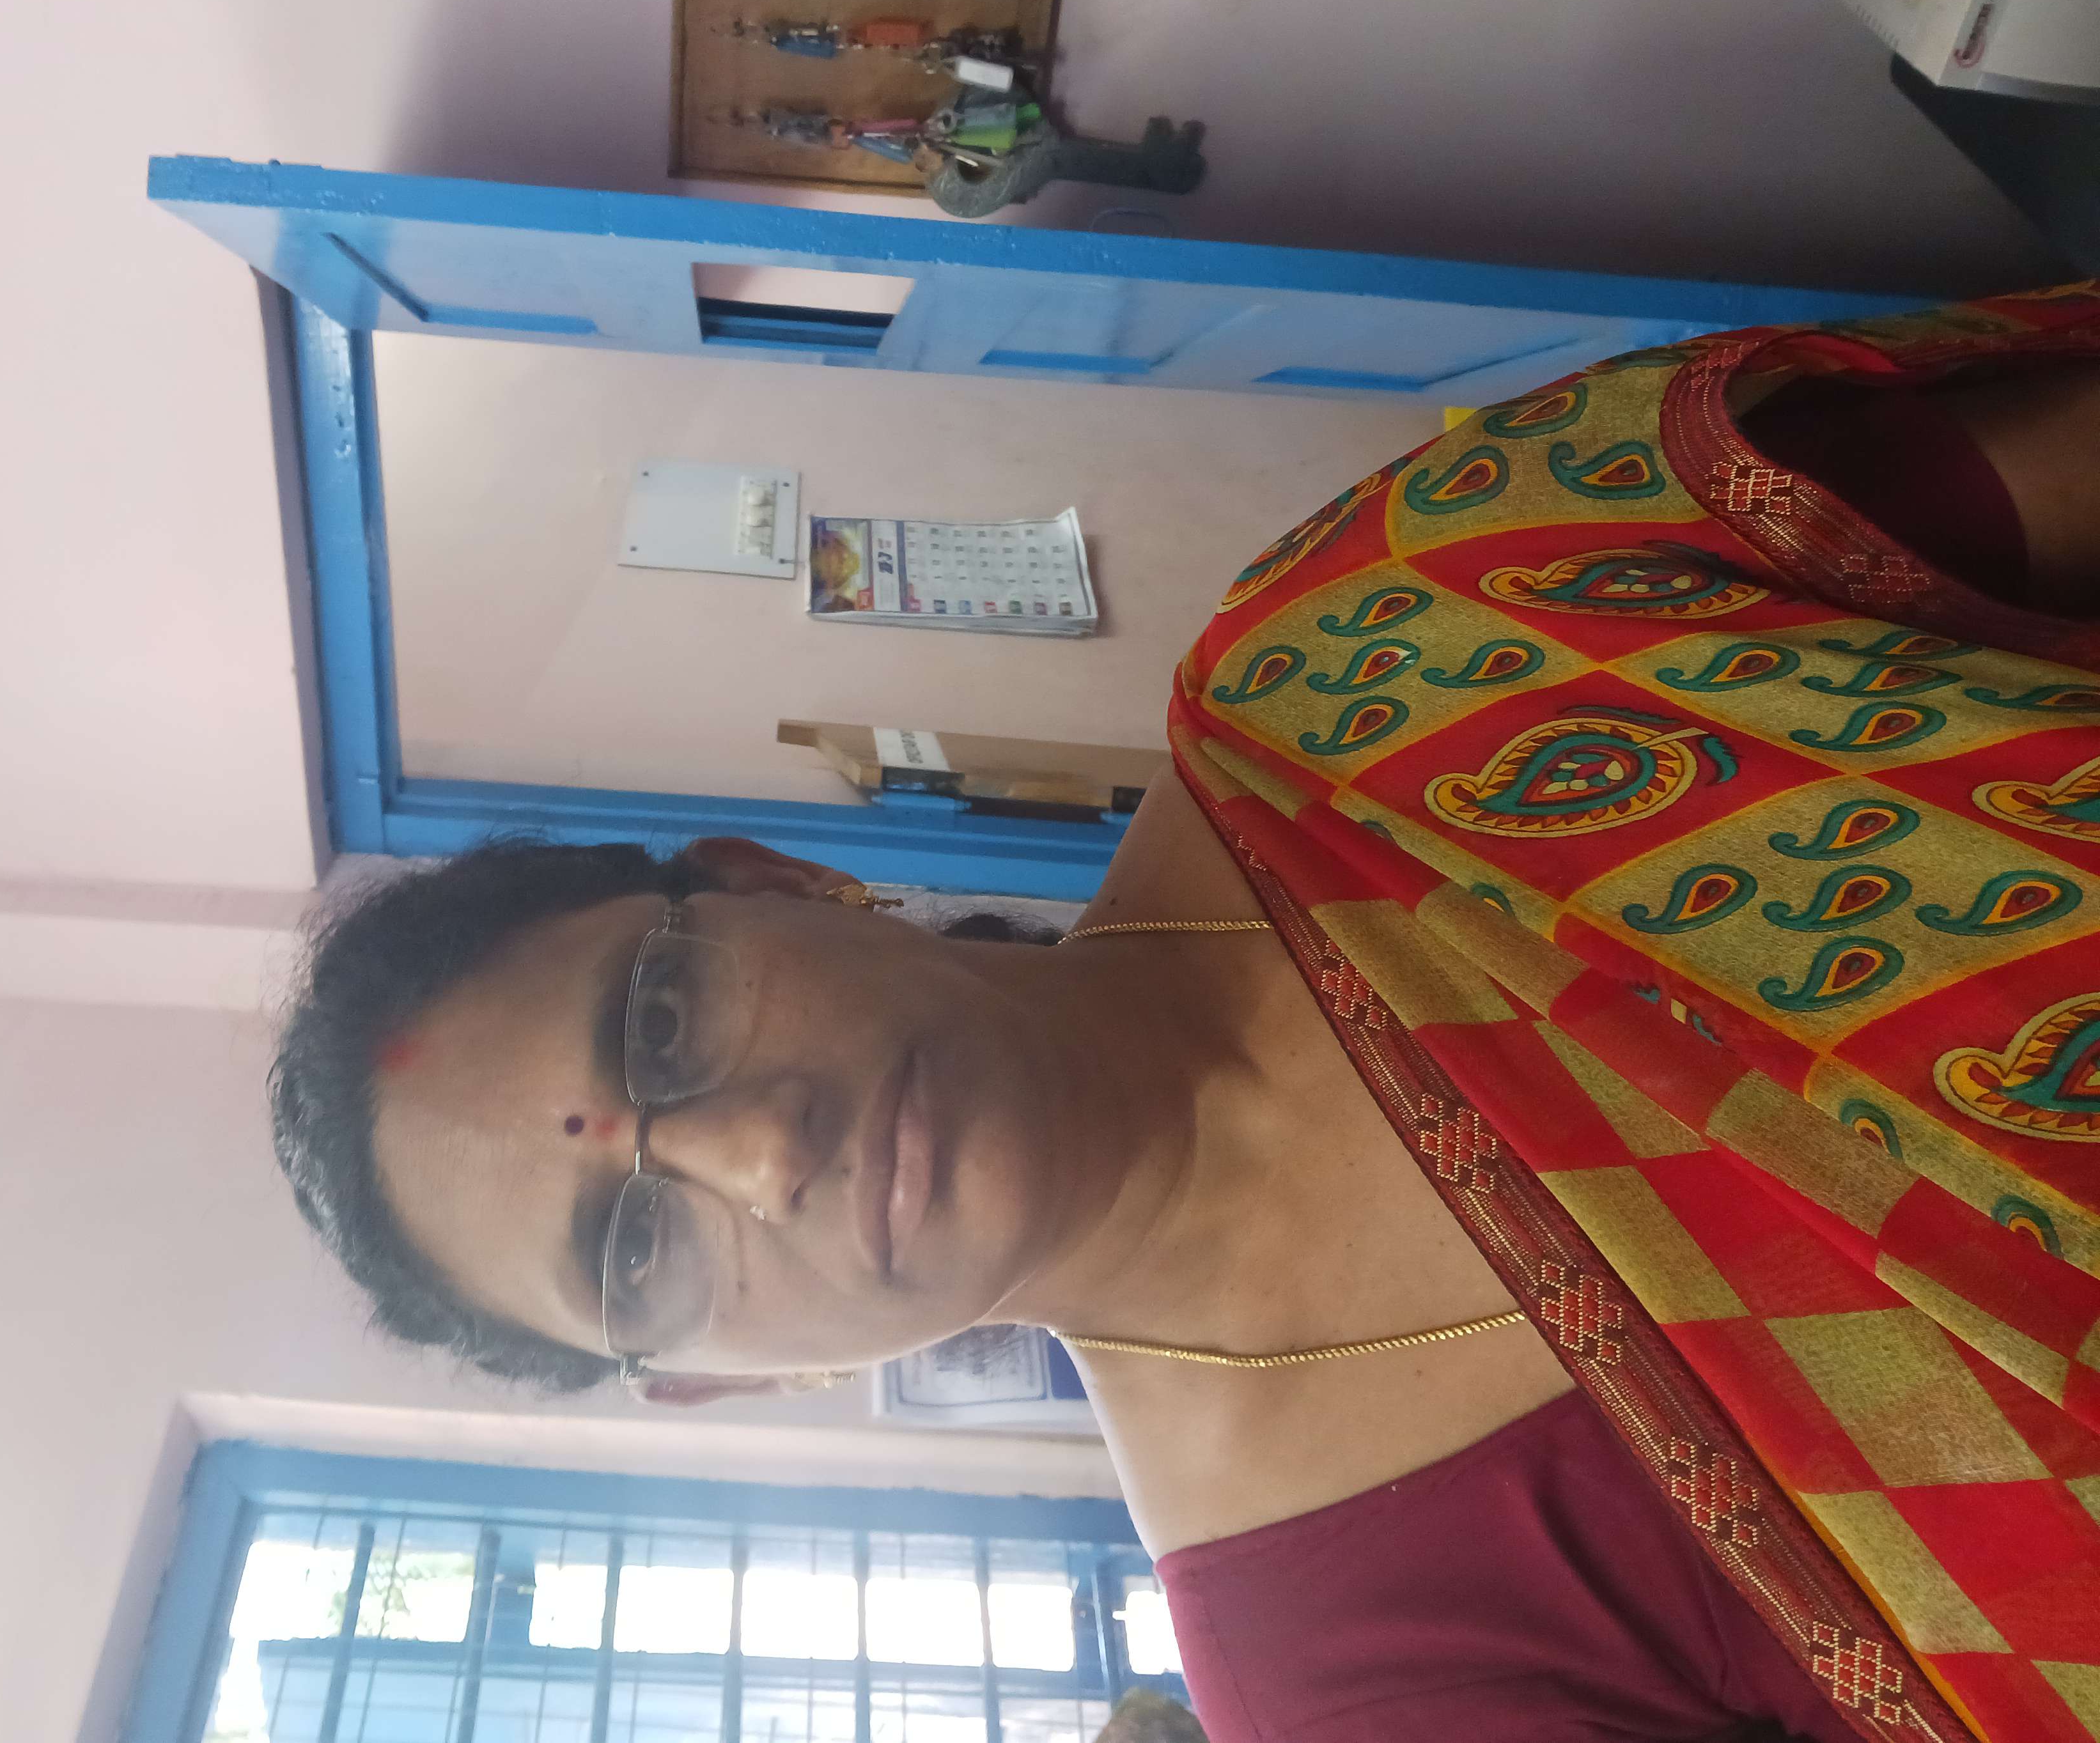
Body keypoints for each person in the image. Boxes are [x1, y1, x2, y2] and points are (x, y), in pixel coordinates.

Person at [272, 284, 2100, 1743]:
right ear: (718, 1376)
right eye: (632, 1250)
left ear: (777, 881)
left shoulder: (1386, 663)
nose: (758, 1154)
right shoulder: (1356, 1675)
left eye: (659, 1022)